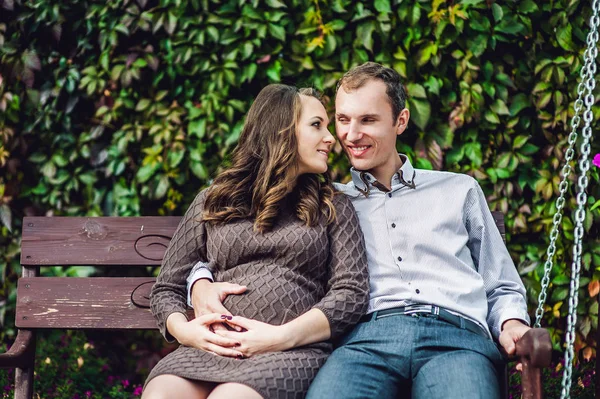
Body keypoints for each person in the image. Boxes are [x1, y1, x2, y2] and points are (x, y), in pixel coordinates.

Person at [187, 63, 531, 399]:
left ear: (401, 121)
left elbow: (499, 282)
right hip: (365, 343)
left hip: (456, 339)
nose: (351, 135)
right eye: (342, 120)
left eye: (368, 120)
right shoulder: (325, 202)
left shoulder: (458, 190)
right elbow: (252, 241)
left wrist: (511, 322)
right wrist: (199, 282)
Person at [142, 84, 370, 399]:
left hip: (289, 352)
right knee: (161, 395)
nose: (331, 138)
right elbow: (167, 288)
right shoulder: (214, 199)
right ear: (281, 131)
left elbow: (351, 293)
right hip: (211, 350)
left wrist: (280, 337)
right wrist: (187, 332)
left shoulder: (332, 204)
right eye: (317, 125)